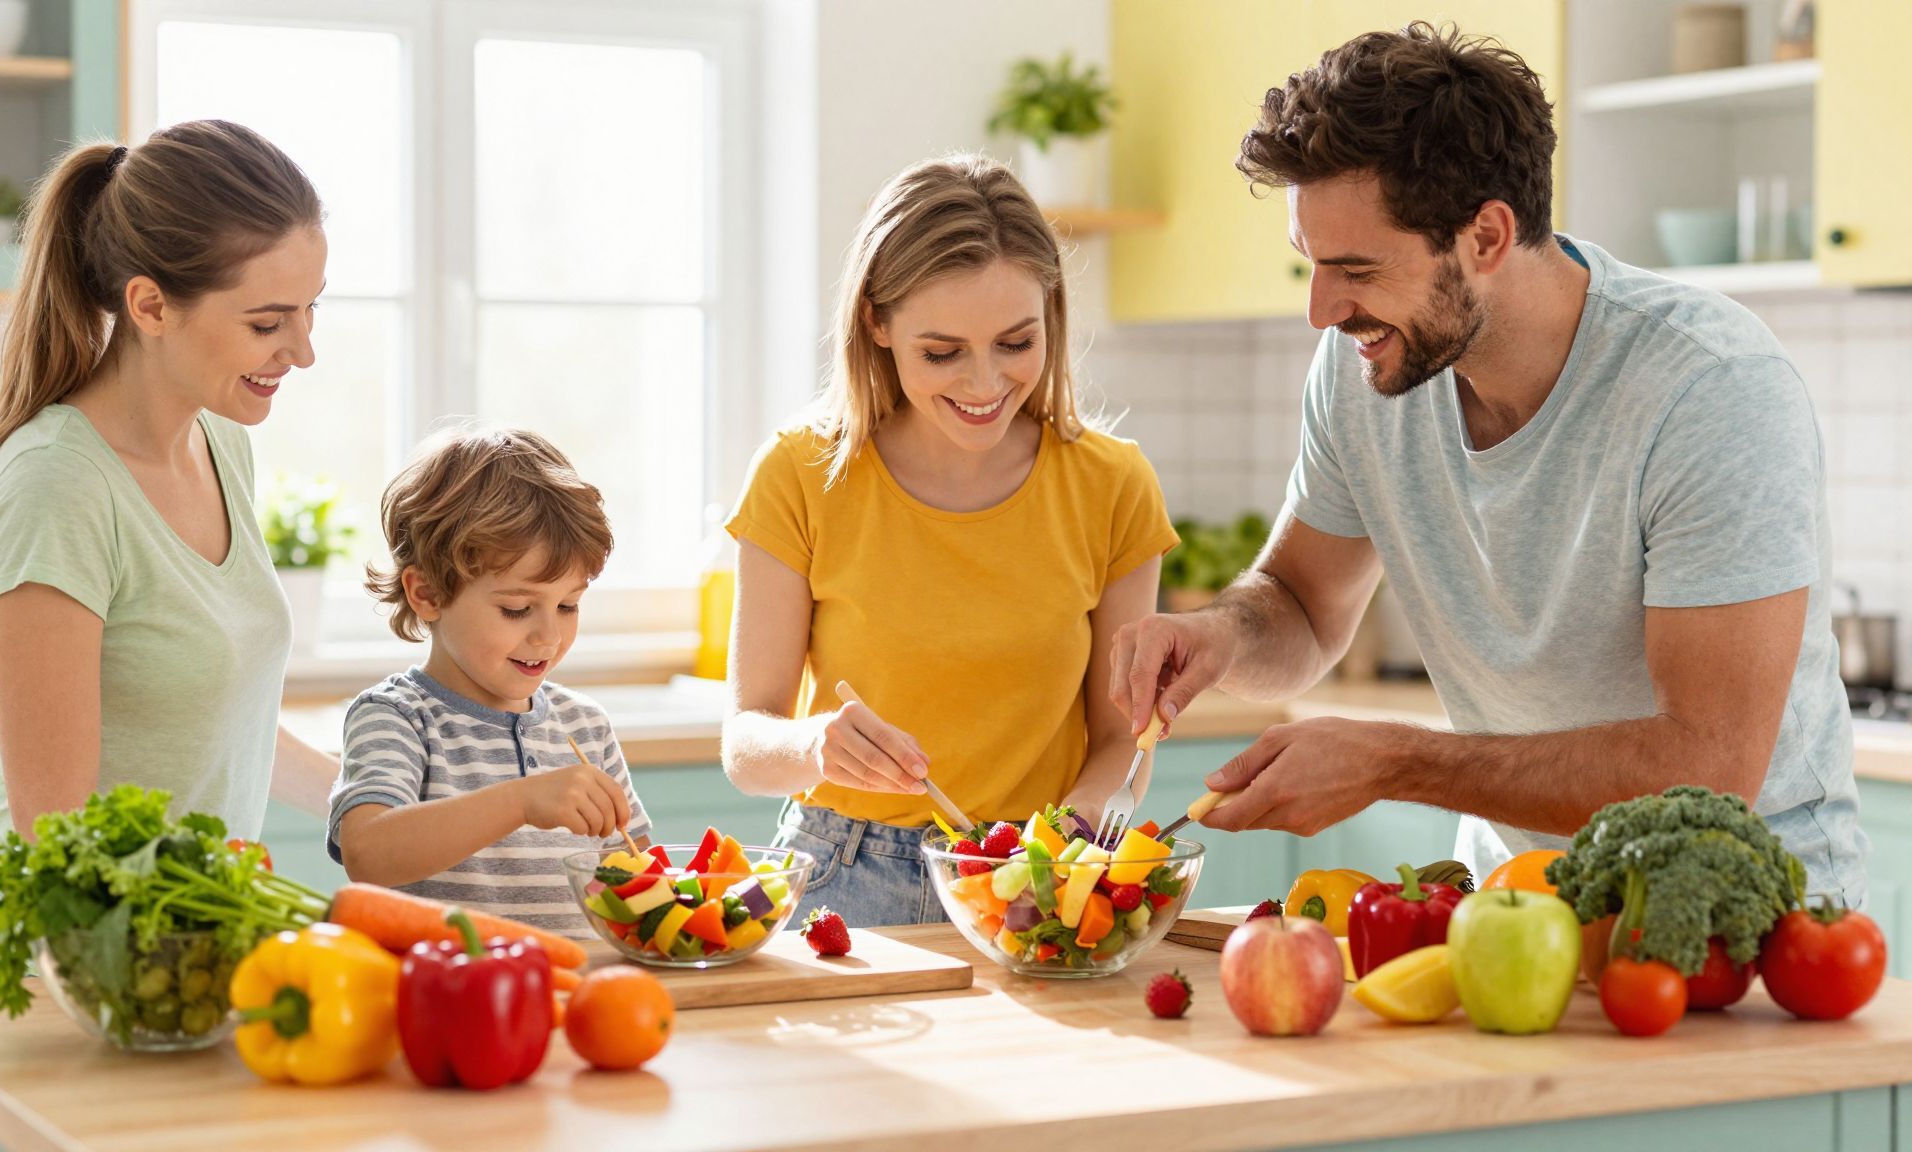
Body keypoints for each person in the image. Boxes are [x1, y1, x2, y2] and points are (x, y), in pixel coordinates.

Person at [1111, 23, 1865, 904]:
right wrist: (1219, 638)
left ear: (1488, 236)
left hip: (1740, 918)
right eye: (1310, 266)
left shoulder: (1709, 388)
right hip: (1519, 909)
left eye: (1354, 268)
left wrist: (1395, 759)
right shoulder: (1369, 367)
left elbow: (1705, 767)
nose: (1321, 311)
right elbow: (1305, 608)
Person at [722, 154, 1179, 928]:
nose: (984, 384)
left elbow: (1118, 742)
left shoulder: (1113, 485)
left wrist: (1076, 833)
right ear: (877, 322)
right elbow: (745, 743)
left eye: (1016, 343)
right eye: (942, 352)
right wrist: (813, 746)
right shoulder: (799, 473)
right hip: (845, 872)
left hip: (1038, 879)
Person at [0, 121, 339, 961]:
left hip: (195, 964)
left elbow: (211, 721)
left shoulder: (222, 444)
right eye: (268, 321)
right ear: (150, 305)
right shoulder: (58, 488)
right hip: (85, 982)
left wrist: (367, 803)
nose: (303, 351)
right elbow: (56, 835)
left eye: (312, 309)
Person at [329, 427, 648, 934]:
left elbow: (631, 877)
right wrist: (522, 799)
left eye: (568, 605)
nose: (549, 636)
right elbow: (368, 852)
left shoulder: (584, 725)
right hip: (445, 998)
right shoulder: (398, 717)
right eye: (517, 609)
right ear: (428, 593)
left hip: (573, 994)